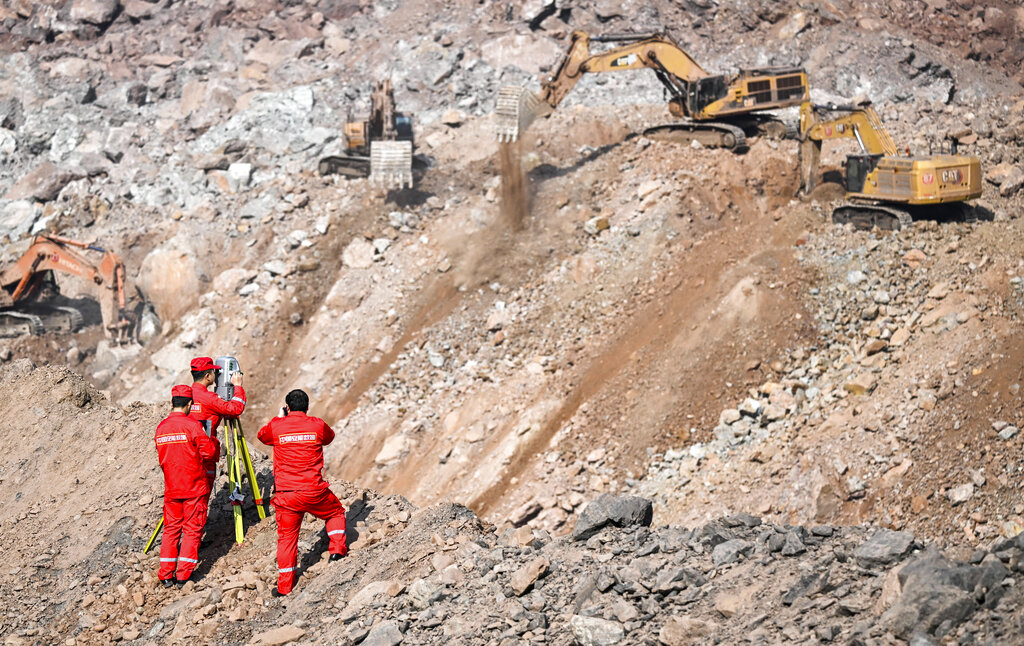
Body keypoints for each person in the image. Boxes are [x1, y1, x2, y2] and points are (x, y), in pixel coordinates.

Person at [258, 389, 347, 596]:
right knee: (335, 512)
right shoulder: (316, 424)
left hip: (287, 495)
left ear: (287, 407)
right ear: (307, 407)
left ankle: (284, 587)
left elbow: (262, 436)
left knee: (287, 538)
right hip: (314, 491)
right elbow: (329, 437)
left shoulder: (277, 426)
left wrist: (280, 418)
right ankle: (337, 552)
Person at [155, 385, 220, 587]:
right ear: (190, 404)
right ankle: (184, 576)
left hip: (172, 488)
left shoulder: (161, 428)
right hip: (193, 487)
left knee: (171, 529)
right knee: (192, 530)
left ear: (172, 403)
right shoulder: (192, 426)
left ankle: (166, 574)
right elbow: (209, 453)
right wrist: (212, 440)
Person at [188, 357, 246, 488]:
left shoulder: (185, 395)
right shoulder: (209, 399)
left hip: (186, 453)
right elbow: (235, 409)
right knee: (199, 498)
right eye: (215, 373)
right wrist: (237, 387)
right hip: (203, 456)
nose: (217, 375)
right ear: (207, 376)